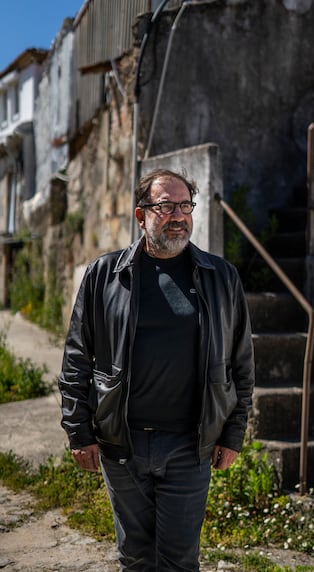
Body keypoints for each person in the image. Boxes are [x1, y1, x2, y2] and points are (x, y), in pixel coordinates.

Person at [58, 168, 255, 571]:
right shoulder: (105, 275)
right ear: (141, 215)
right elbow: (77, 356)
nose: (179, 215)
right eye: (166, 206)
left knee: (180, 560)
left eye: (185, 205)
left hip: (190, 445)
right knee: (134, 558)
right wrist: (79, 430)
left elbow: (241, 363)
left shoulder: (221, 277)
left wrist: (233, 434)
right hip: (122, 443)